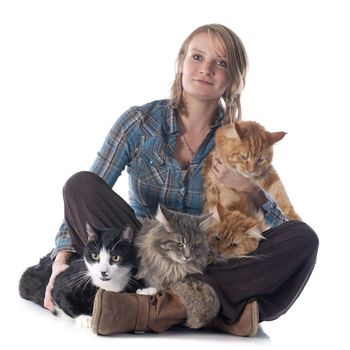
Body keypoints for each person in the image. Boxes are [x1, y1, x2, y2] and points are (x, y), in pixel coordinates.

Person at [44, 24, 318, 336]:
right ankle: (218, 312)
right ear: (181, 64)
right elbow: (86, 195)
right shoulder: (138, 123)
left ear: (233, 79)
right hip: (145, 257)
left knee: (304, 239)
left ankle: (160, 308)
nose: (206, 69)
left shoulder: (242, 141)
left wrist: (251, 190)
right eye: (197, 57)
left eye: (221, 63)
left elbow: (282, 227)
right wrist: (60, 261)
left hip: (206, 264)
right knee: (79, 184)